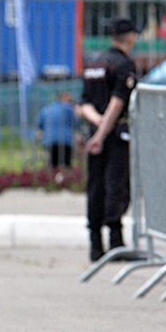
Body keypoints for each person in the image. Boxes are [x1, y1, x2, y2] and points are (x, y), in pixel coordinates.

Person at [79, 18, 139, 262]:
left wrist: (96, 127)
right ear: (131, 37)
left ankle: (95, 244)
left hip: (94, 133)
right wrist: (103, 132)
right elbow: (118, 102)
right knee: (117, 186)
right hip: (115, 135)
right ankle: (115, 244)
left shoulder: (94, 62)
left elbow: (83, 104)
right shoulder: (124, 64)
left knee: (95, 187)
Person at [37, 90, 78, 169]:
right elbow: (76, 123)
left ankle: (53, 178)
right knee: (67, 164)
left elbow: (40, 126)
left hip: (49, 141)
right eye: (70, 101)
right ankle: (66, 178)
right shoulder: (69, 109)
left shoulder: (46, 109)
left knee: (52, 164)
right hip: (66, 140)